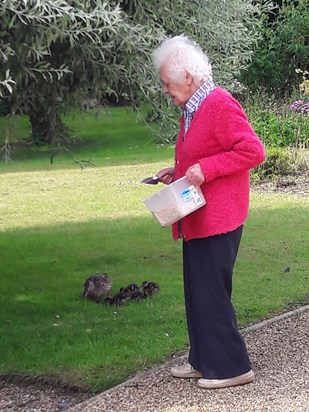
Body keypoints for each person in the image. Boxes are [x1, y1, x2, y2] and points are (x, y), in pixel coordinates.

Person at [152, 35, 266, 389]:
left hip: (220, 219)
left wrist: (208, 169)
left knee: (212, 293)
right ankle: (203, 360)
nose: (165, 91)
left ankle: (232, 367)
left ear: (187, 76)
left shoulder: (218, 103)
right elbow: (202, 153)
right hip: (198, 216)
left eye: (167, 84)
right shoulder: (193, 108)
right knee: (198, 291)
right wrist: (180, 171)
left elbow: (253, 151)